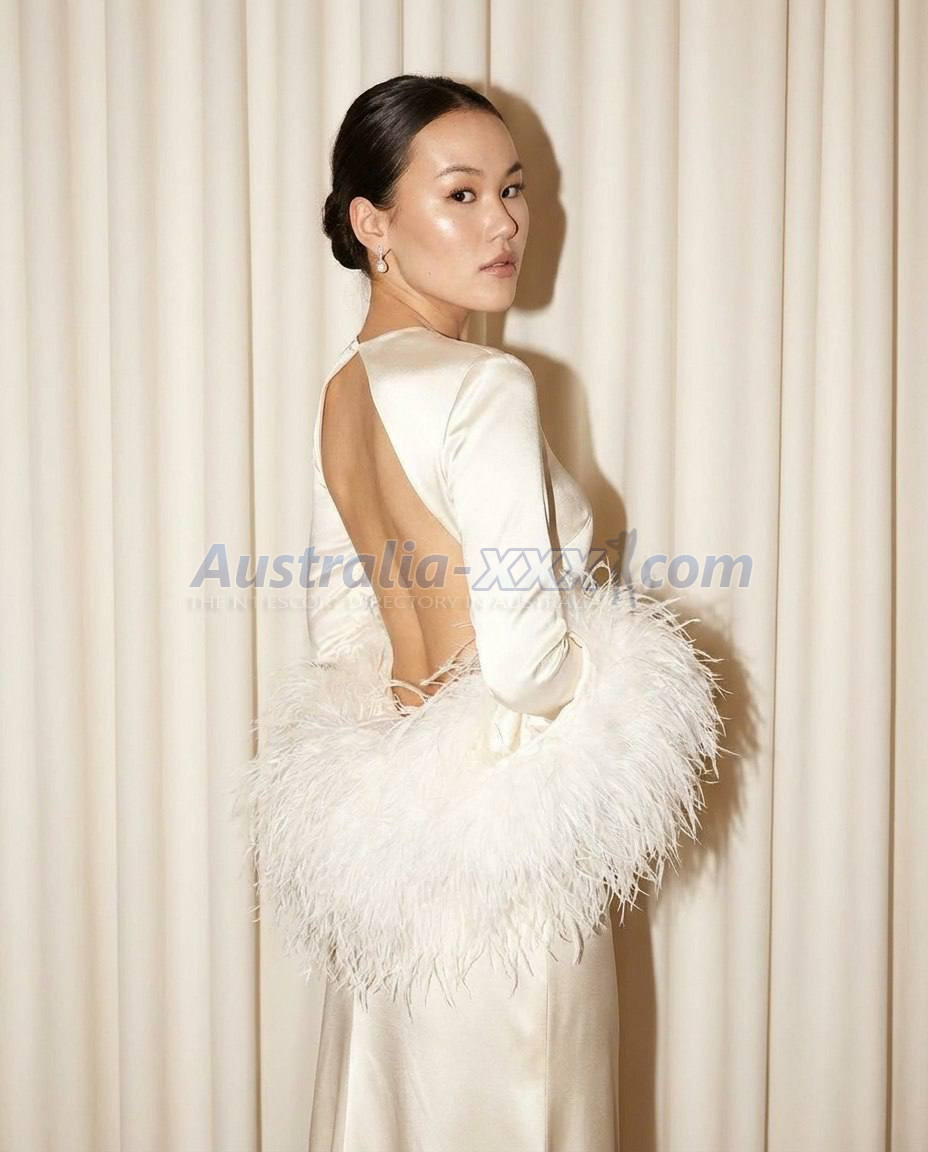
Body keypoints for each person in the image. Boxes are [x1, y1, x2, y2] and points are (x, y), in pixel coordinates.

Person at [235, 74, 723, 1152]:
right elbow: (525, 664)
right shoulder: (484, 383)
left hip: (402, 857)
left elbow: (342, 631)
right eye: (459, 194)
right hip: (512, 855)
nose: (503, 222)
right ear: (372, 223)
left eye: (512, 188)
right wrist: (621, 682)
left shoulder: (345, 392)